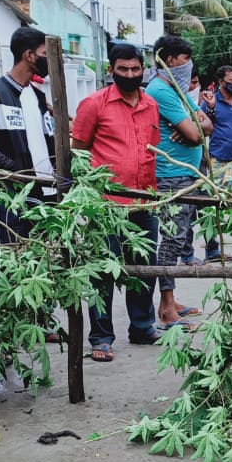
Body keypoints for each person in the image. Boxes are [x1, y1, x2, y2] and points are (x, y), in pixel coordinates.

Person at [70, 43, 163, 362]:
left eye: (135, 69)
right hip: (106, 205)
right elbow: (79, 150)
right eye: (123, 69)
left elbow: (152, 148)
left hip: (145, 201)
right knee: (102, 271)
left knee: (145, 267)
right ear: (111, 70)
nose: (129, 74)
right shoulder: (93, 104)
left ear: (143, 70)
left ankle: (142, 327)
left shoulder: (151, 104)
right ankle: (101, 337)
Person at [0, 26, 56, 244]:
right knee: (16, 250)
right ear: (29, 55)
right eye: (45, 54)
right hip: (15, 192)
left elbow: (48, 138)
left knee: (48, 254)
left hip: (48, 190)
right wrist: (12, 168)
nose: (49, 61)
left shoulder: (37, 95)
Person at [146, 35, 210, 328]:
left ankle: (171, 299)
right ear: (169, 60)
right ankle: (166, 306)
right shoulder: (161, 90)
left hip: (186, 174)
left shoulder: (178, 88)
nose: (189, 66)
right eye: (185, 60)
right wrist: (193, 128)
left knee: (182, 238)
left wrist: (193, 125)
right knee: (171, 240)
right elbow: (198, 132)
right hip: (170, 176)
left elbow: (205, 123)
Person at [200, 65, 232, 256]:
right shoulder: (210, 102)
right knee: (215, 201)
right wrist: (212, 108)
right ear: (221, 82)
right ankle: (213, 242)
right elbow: (203, 126)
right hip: (217, 160)